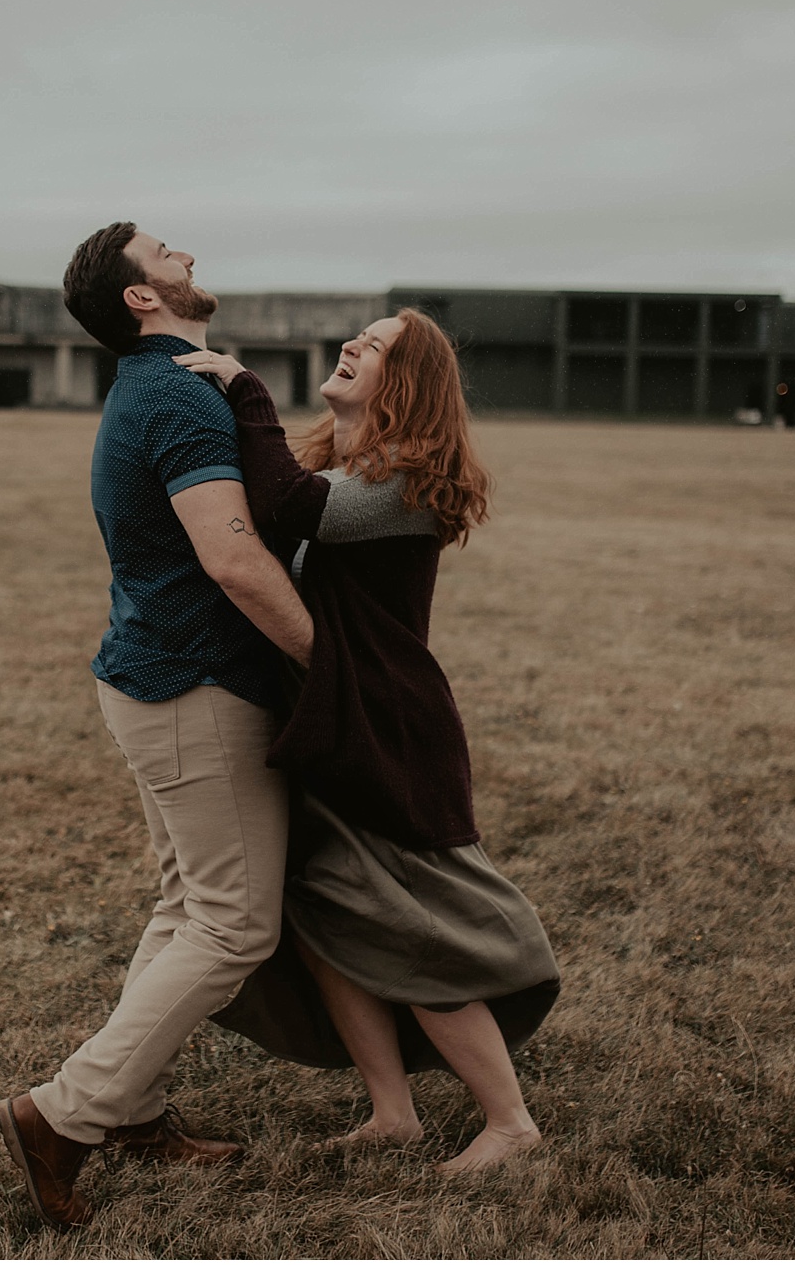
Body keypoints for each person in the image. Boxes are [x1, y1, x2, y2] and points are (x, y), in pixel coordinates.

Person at [175, 310, 561, 1174]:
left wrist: (243, 388)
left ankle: (510, 1123)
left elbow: (291, 507)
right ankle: (393, 1113)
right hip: (324, 718)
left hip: (387, 728)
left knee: (409, 926)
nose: (353, 344)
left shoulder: (409, 480)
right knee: (326, 917)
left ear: (407, 382)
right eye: (360, 335)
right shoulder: (333, 460)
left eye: (376, 345)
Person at [0, 223, 314, 1230]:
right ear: (140, 298)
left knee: (188, 905)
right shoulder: (172, 392)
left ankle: (125, 1109)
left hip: (156, 680)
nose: (181, 251)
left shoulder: (169, 382)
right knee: (233, 924)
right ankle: (63, 1113)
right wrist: (335, 669)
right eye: (162, 250)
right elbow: (232, 559)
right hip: (192, 686)